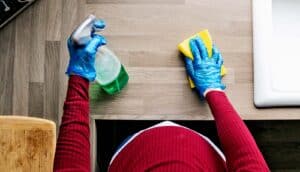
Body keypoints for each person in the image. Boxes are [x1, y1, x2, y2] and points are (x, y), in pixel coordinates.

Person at [53, 20, 270, 172]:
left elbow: (71, 167)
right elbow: (247, 160)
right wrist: (213, 90)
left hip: (131, 151)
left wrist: (79, 78)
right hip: (203, 148)